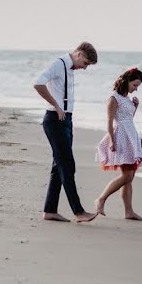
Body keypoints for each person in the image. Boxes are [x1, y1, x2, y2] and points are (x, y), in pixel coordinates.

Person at [33, 42, 99, 223]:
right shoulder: (58, 64)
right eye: (85, 63)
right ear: (78, 54)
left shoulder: (69, 69)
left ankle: (50, 210)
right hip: (54, 120)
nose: (84, 68)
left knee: (59, 166)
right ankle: (78, 212)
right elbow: (38, 83)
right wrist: (56, 105)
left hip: (66, 121)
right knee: (67, 165)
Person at [94, 68, 142, 221]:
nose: (136, 89)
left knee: (130, 176)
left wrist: (135, 107)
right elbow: (110, 121)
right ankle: (101, 199)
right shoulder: (114, 98)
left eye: (138, 86)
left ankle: (128, 212)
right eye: (135, 85)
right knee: (127, 175)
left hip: (131, 136)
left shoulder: (127, 98)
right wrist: (111, 140)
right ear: (127, 81)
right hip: (121, 136)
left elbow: (128, 118)